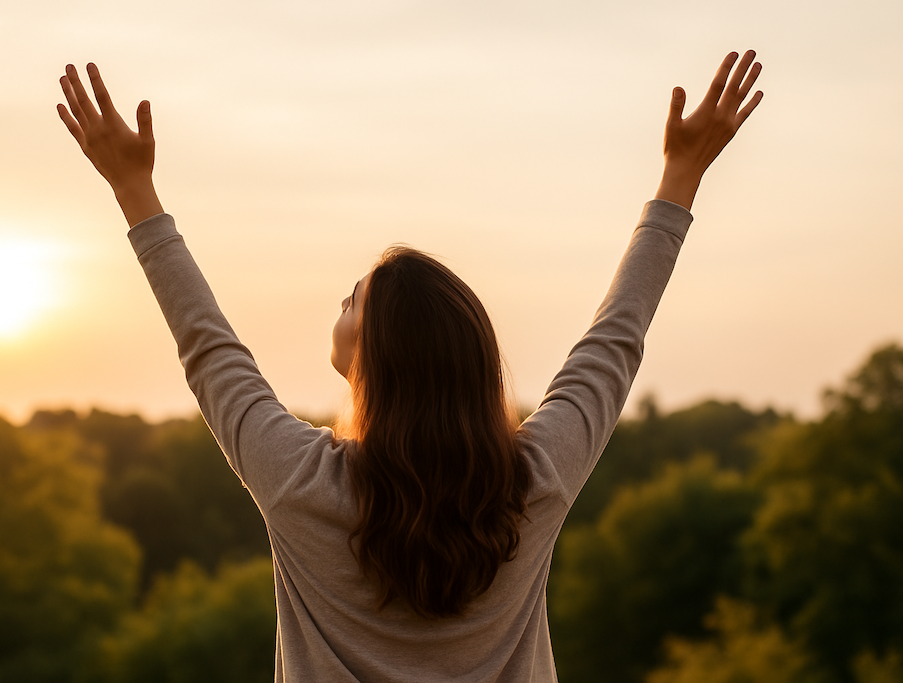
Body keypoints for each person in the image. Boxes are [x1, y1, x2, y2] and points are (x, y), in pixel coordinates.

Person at [58, 51, 763, 682]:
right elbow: (615, 342)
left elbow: (209, 348)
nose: (340, 303)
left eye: (354, 300)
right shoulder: (535, 480)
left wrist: (133, 188)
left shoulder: (297, 481)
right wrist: (680, 176)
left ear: (378, 355)